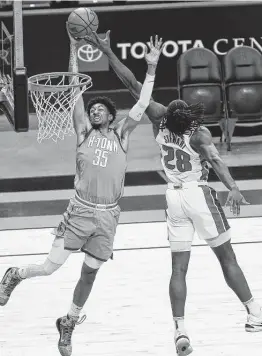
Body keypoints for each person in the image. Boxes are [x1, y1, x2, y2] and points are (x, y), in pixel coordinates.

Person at [84, 30, 262, 356]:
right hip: (197, 193)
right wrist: (234, 189)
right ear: (191, 116)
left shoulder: (159, 120)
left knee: (178, 269)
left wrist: (107, 50)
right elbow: (217, 162)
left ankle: (180, 330)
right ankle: (254, 314)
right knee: (227, 258)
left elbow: (132, 85)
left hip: (172, 197)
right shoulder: (199, 134)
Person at [0, 31, 163, 356]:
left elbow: (143, 103)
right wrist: (73, 49)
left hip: (109, 215)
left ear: (111, 115)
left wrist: (151, 68)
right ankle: (15, 274)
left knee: (90, 272)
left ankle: (69, 322)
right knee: (50, 268)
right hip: (80, 210)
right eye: (92, 109)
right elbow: (75, 93)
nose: (95, 111)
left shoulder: (122, 134)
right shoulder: (83, 133)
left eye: (101, 109)